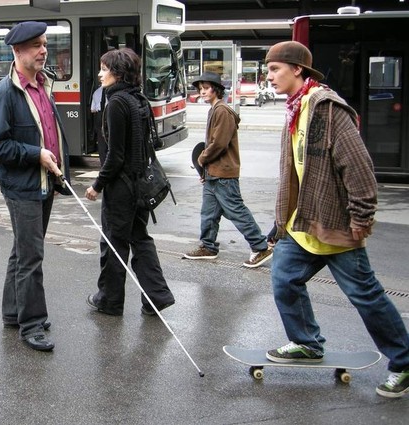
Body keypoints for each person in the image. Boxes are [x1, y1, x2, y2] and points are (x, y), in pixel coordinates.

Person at [264, 41, 409, 398]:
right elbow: (295, 173)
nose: (268, 77)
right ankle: (307, 342)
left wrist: (361, 218)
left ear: (297, 69)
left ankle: (404, 361)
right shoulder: (296, 109)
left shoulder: (327, 109)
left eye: (274, 69)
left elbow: (359, 170)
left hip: (335, 224)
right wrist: (280, 220)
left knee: (366, 296)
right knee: (284, 280)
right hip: (302, 224)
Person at [0, 21, 70, 352]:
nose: (43, 50)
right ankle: (31, 324)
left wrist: (61, 172)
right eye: (36, 45)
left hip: (46, 182)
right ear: (17, 51)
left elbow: (52, 133)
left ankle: (12, 312)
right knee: (32, 256)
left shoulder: (43, 86)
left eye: (44, 43)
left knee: (22, 250)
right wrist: (37, 155)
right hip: (23, 187)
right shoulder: (3, 94)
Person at [84, 48, 175, 316]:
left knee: (113, 243)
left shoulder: (116, 103)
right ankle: (157, 296)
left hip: (121, 188)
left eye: (104, 69)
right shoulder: (140, 100)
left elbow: (115, 156)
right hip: (141, 186)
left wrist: (97, 185)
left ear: (117, 72)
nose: (100, 74)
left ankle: (109, 300)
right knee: (140, 238)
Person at [183, 72, 273, 268]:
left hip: (223, 173)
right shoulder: (214, 110)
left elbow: (218, 144)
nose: (202, 92)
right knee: (208, 213)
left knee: (236, 211)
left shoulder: (222, 111)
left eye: (206, 88)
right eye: (200, 89)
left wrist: (201, 159)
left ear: (216, 89)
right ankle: (208, 246)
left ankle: (260, 247)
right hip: (213, 173)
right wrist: (204, 170)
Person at [90, 85, 107, 164]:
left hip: (98, 116)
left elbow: (92, 109)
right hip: (107, 115)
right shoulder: (112, 92)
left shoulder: (96, 92)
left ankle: (103, 163)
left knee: (101, 141)